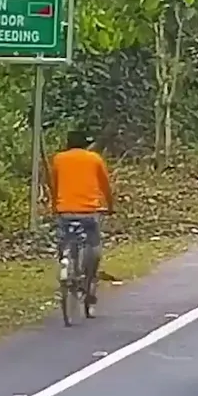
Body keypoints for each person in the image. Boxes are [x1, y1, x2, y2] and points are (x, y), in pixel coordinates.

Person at [51, 130, 114, 312]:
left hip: (65, 213)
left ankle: (65, 263)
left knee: (65, 240)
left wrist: (55, 206)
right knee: (94, 248)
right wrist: (110, 206)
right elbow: (105, 185)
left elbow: (55, 186)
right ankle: (89, 282)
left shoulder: (58, 159)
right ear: (86, 145)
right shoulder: (94, 159)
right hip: (88, 213)